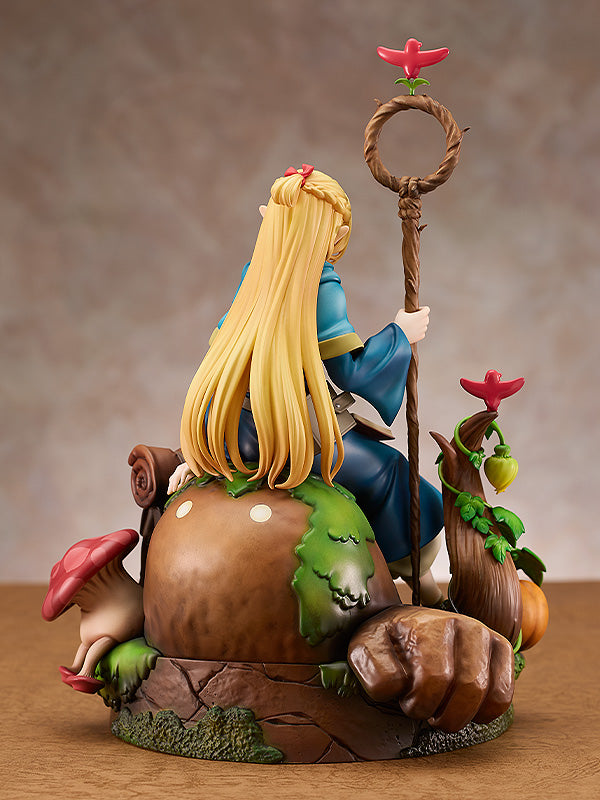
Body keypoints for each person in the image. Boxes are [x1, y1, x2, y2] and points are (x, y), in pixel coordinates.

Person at [170, 165, 443, 604]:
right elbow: (351, 370)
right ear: (331, 235)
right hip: (291, 440)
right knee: (391, 472)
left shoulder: (254, 276)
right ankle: (421, 580)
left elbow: (223, 356)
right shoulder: (320, 283)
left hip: (234, 432)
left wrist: (201, 443)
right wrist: (399, 335)